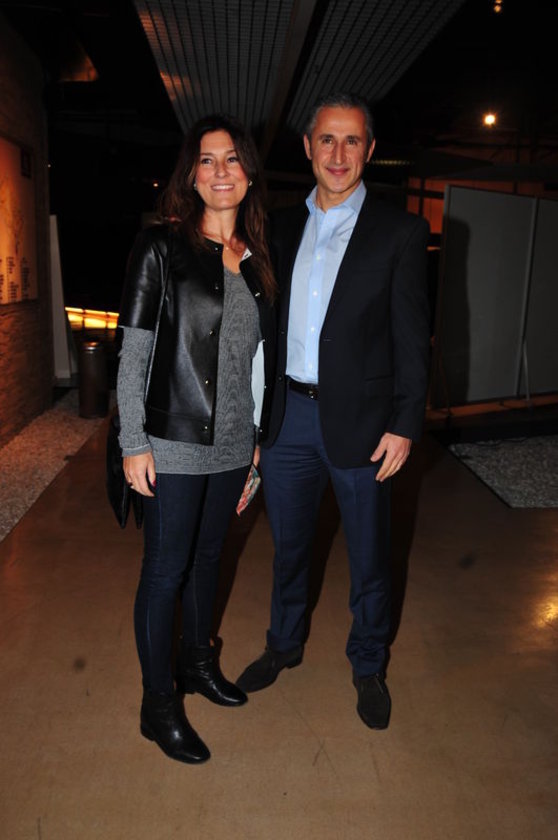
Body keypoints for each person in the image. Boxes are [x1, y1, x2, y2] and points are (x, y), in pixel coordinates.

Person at [236, 93, 430, 730]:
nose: (338, 154)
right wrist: (254, 419)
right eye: (327, 139)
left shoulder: (400, 232)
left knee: (370, 557)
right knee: (289, 548)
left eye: (351, 141)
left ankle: (368, 662)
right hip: (288, 417)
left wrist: (404, 424)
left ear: (369, 150)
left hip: (367, 426)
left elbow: (412, 338)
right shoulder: (278, 227)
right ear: (308, 147)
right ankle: (283, 644)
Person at [117, 114, 276, 763]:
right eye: (207, 160)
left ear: (249, 173)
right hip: (174, 440)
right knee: (166, 571)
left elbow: (256, 360)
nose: (220, 171)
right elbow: (134, 352)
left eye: (232, 158)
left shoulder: (257, 259)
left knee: (210, 558)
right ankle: (158, 705)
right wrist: (133, 441)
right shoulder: (160, 247)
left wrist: (258, 437)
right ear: (191, 174)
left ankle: (198, 663)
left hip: (235, 443)